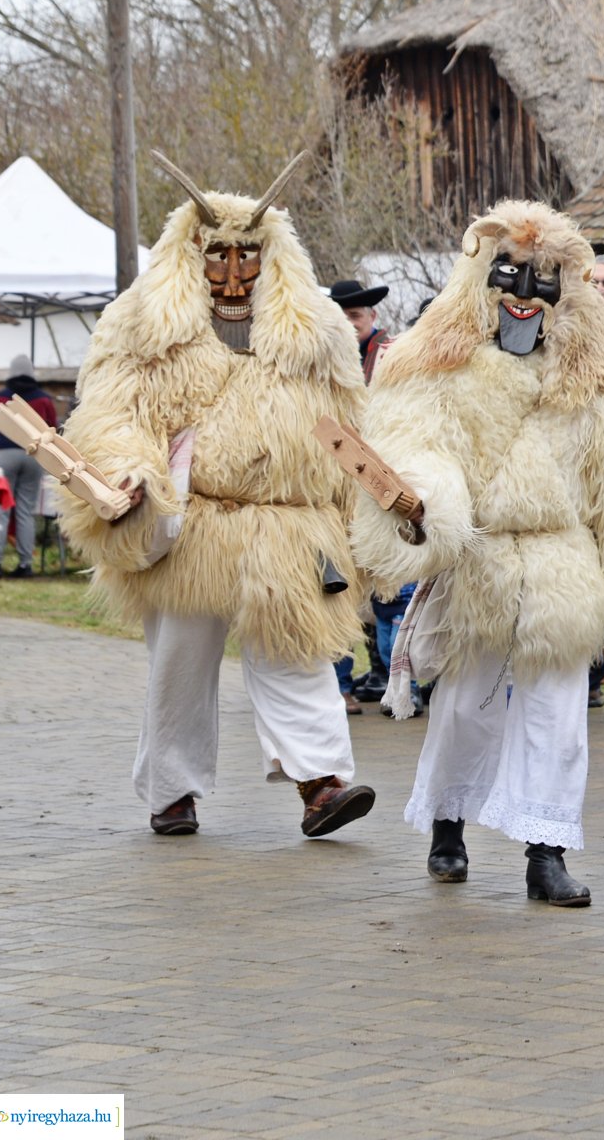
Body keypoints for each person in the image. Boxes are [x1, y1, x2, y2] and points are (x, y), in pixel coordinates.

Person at [349, 200, 604, 907]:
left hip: (564, 566)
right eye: (510, 277)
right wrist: (428, 503)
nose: (525, 295)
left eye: (544, 280)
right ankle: (447, 824)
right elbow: (414, 444)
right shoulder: (436, 364)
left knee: (559, 715)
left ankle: (546, 850)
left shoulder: (597, 376)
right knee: (466, 707)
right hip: (481, 560)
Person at [55, 151, 375, 839]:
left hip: (287, 525)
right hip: (190, 521)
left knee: (299, 646)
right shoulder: (145, 325)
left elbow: (351, 424)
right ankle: (171, 790)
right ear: (192, 256)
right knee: (180, 658)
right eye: (217, 257)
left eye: (247, 258)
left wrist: (373, 506)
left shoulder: (315, 333)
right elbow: (112, 414)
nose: (232, 274)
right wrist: (129, 474)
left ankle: (322, 783)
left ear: (271, 259)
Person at [327, 278, 396, 713]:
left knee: (389, 593)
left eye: (355, 316)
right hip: (331, 487)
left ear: (372, 318)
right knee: (335, 589)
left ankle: (393, 680)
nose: (349, 324)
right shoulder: (319, 361)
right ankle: (339, 686)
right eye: (341, 317)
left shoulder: (391, 358)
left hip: (378, 482)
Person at [0, 354, 53, 578]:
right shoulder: (44, 400)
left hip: (2, 454)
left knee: (0, 510)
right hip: (33, 455)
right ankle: (25, 564)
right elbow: (53, 431)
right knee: (26, 511)